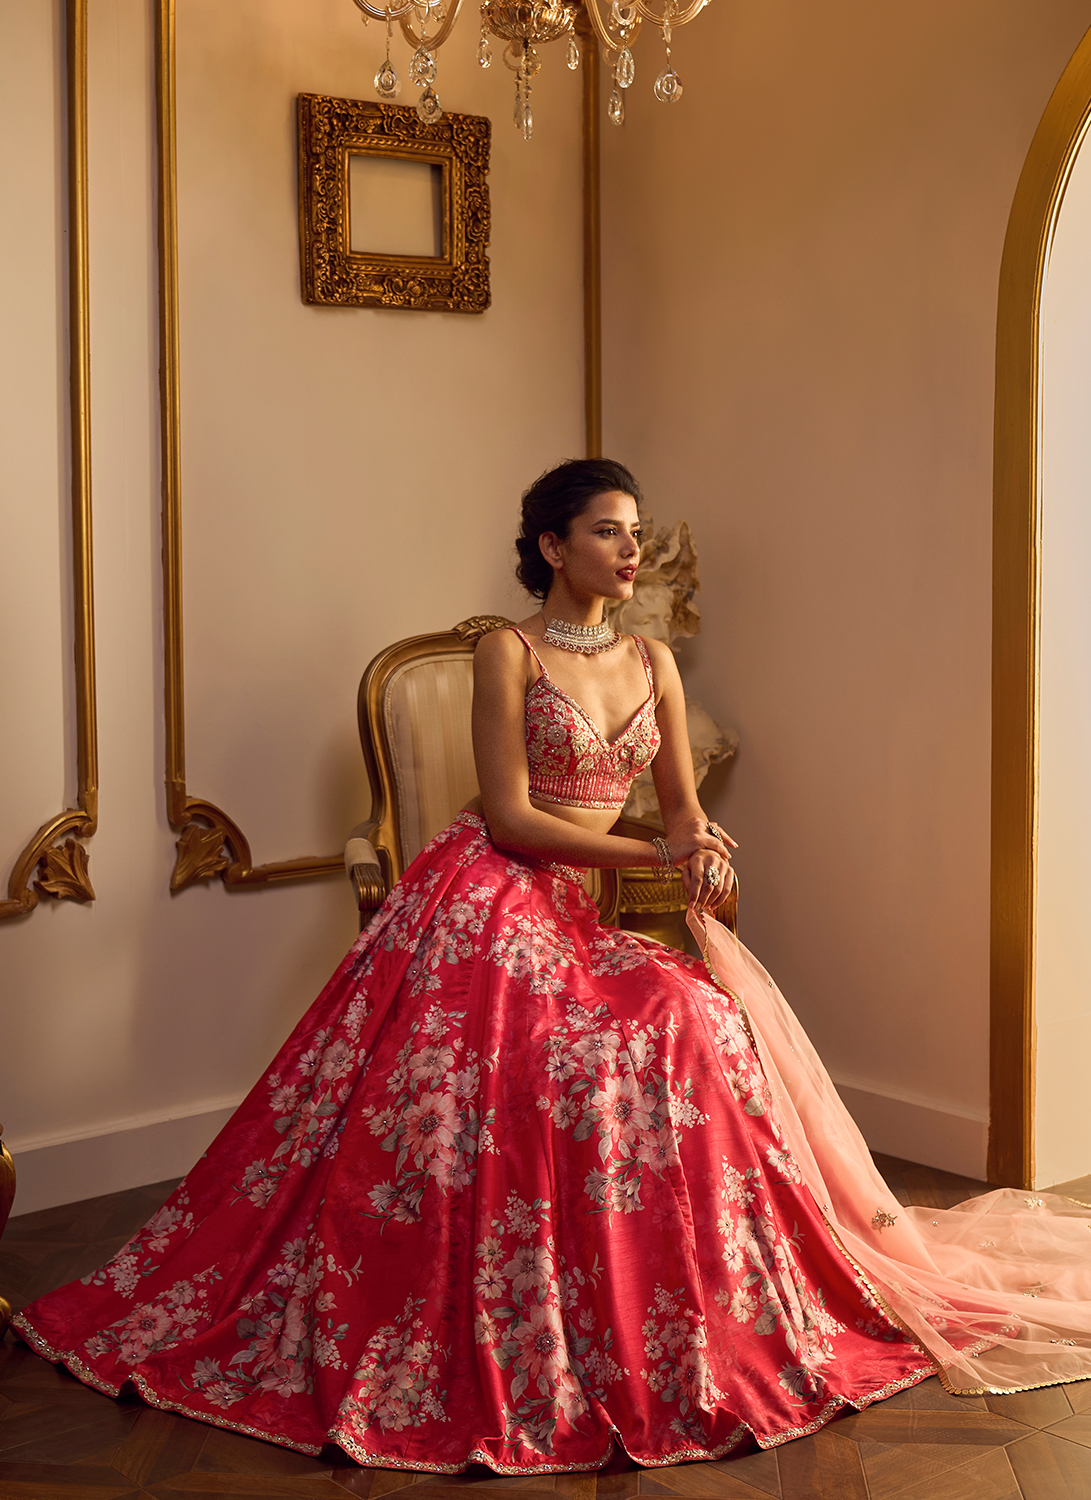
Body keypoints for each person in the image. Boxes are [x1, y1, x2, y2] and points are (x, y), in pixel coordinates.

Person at [12, 459, 1091, 1473]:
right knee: (556, 1055)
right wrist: (647, 851)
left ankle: (681, 1298)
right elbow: (518, 820)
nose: (630, 552)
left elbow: (679, 805)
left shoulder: (652, 661)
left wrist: (703, 850)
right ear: (550, 545)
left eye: (632, 534)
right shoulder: (508, 654)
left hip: (577, 906)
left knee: (691, 1016)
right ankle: (517, 1295)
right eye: (605, 533)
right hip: (485, 895)